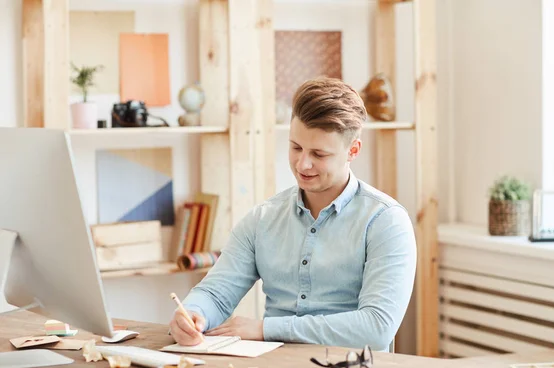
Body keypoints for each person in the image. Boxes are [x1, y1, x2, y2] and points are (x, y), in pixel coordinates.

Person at [169, 77, 417, 351]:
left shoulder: (386, 222)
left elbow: (376, 328)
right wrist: (192, 313)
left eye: (319, 154)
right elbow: (216, 294)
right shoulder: (262, 219)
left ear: (353, 151)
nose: (303, 164)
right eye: (296, 147)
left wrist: (266, 329)